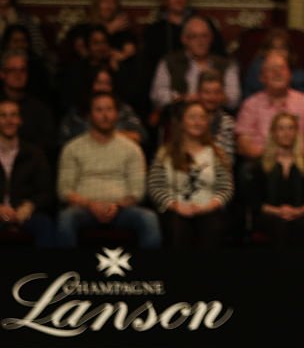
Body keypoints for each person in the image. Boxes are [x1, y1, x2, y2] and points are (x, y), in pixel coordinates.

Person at [54, 92, 160, 248]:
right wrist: (91, 205)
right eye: (99, 110)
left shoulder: (132, 148)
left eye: (109, 110)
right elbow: (64, 190)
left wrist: (116, 206)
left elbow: (138, 191)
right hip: (84, 210)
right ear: (89, 115)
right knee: (66, 218)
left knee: (148, 218)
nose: (105, 115)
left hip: (122, 210)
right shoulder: (72, 148)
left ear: (117, 114)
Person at [147, 101, 233, 249]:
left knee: (213, 227)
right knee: (177, 228)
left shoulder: (217, 154)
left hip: (208, 208)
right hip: (176, 208)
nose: (197, 122)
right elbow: (155, 187)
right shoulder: (164, 154)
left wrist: (208, 207)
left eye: (202, 118)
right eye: (192, 117)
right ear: (181, 122)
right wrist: (175, 206)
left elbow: (226, 188)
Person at [247, 111, 304, 247]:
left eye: (290, 128)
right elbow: (255, 201)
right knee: (279, 225)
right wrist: (278, 211)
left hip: (300, 215)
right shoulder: (261, 165)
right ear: (273, 133)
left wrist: (296, 212)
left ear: (296, 133)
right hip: (270, 215)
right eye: (281, 128)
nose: (286, 133)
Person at [235, 49, 304, 160]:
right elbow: (244, 144)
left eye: (282, 68)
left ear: (290, 74)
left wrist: (291, 162)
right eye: (271, 69)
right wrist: (273, 161)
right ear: (262, 77)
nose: (277, 73)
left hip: (300, 166)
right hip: (261, 166)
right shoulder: (250, 105)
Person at [150, 15, 240, 113]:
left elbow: (234, 99)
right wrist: (185, 98)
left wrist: (211, 98)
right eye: (194, 37)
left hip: (216, 118)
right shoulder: (169, 62)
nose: (200, 42)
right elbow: (157, 96)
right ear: (184, 39)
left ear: (211, 39)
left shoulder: (226, 64)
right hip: (180, 118)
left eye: (204, 36)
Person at [0, 99, 54, 247]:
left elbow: (46, 192)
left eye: (13, 115)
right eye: (3, 115)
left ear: (20, 120)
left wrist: (30, 206)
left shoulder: (34, 154)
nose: (8, 120)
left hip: (24, 212)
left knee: (45, 224)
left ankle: (43, 269)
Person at [60, 66, 146, 147]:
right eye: (99, 83)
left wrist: (108, 136)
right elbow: (64, 141)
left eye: (107, 83)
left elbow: (140, 136)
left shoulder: (123, 109)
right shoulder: (77, 112)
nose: (103, 88)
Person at [242, 27, 304, 103]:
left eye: (283, 48)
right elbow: (275, 90)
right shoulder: (258, 68)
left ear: (289, 52)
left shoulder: (296, 70)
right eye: (274, 48)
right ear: (265, 51)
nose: (278, 52)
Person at [0, 49, 56, 157]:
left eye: (22, 70)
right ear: (2, 74)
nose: (18, 75)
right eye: (13, 70)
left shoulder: (39, 109)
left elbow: (48, 144)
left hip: (30, 165)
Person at [198, 70, 236, 164]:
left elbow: (227, 160)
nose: (212, 97)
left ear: (222, 95)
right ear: (198, 94)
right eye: (207, 92)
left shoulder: (228, 123)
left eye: (216, 92)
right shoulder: (187, 120)